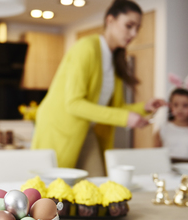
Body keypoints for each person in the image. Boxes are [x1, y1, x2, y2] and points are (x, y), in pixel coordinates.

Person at [31, 0, 165, 173]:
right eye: (129, 25)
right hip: (59, 129)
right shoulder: (86, 48)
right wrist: (125, 118)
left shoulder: (114, 59)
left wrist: (144, 107)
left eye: (137, 28)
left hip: (86, 130)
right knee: (52, 191)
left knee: (98, 181)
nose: (134, 33)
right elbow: (74, 103)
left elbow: (115, 108)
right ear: (110, 20)